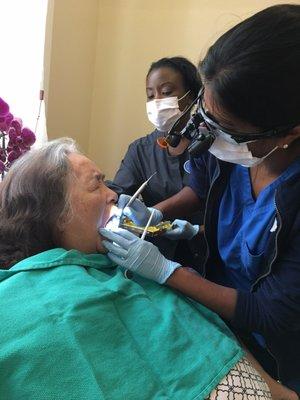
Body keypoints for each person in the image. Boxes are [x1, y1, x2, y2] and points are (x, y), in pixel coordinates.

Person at [100, 4, 300, 396]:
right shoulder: (223, 146)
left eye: (229, 130)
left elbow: (275, 314)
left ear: (289, 132)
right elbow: (202, 190)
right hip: (218, 323)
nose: (212, 139)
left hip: (276, 352)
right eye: (208, 118)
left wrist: (170, 273)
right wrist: (160, 216)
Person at [0, 138, 276, 400]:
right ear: (57, 211)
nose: (114, 194)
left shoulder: (128, 269)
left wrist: (181, 232)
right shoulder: (19, 299)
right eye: (97, 185)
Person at [106, 56, 205, 271]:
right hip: (157, 256)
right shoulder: (141, 150)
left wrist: (157, 213)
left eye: (167, 92)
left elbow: (202, 193)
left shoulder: (211, 145)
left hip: (211, 254)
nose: (157, 101)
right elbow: (118, 191)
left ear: (192, 96)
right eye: (151, 95)